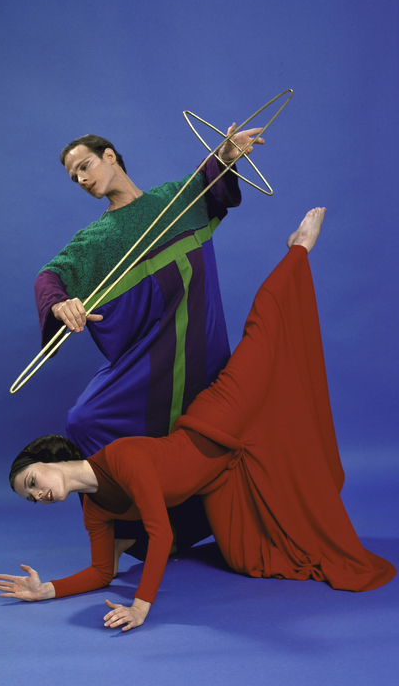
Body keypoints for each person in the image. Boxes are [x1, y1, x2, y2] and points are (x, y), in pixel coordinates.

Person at [0, 207, 396, 632]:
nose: (38, 495)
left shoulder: (122, 459)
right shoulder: (94, 510)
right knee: (249, 560)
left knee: (263, 338)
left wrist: (140, 609)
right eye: (30, 498)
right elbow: (100, 573)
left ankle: (298, 249)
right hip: (219, 477)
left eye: (32, 482)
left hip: (214, 422)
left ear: (49, 459)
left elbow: (161, 535)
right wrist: (47, 590)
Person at [34, 124, 265, 562]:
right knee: (84, 420)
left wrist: (229, 155)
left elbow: (211, 181)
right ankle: (125, 528)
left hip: (205, 356)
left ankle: (202, 525)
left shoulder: (175, 201)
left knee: (219, 434)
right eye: (74, 177)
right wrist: (60, 305)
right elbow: (50, 278)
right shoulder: (96, 242)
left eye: (85, 166)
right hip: (150, 364)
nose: (82, 179)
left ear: (110, 157)